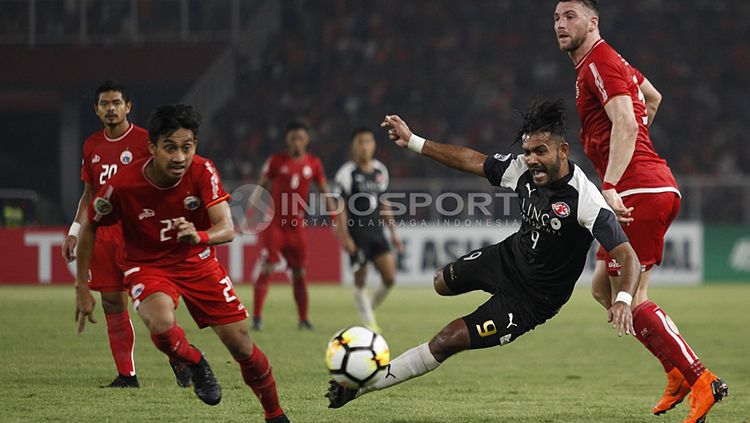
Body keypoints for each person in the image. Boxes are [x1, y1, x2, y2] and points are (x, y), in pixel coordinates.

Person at [327, 100, 640, 410]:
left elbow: (628, 256)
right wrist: (413, 141)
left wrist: (624, 300)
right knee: (440, 282)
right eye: (527, 151)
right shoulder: (521, 170)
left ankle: (359, 387)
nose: (531, 159)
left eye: (540, 151)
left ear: (563, 151)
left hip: (532, 300)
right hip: (506, 259)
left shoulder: (585, 200)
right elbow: (472, 160)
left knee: (446, 340)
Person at [553, 1, 728, 421]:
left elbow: (628, 123)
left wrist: (613, 181)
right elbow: (652, 97)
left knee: (633, 296)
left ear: (593, 22)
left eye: (570, 16)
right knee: (602, 290)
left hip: (637, 190)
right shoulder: (603, 63)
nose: (560, 24)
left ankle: (701, 379)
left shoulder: (600, 60)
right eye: (556, 18)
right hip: (648, 184)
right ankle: (675, 371)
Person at [74, 104, 290, 423]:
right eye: (170, 148)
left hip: (197, 263)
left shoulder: (203, 171)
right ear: (152, 147)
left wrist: (199, 236)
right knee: (161, 325)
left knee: (243, 347)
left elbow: (226, 228)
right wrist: (81, 286)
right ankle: (195, 360)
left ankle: (275, 415)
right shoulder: (123, 184)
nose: (179, 157)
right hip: (146, 265)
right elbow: (91, 224)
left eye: (187, 148)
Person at [62, 80, 150, 388]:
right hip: (102, 233)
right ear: (96, 110)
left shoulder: (145, 142)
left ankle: (181, 357)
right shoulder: (91, 145)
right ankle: (128, 375)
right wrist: (75, 230)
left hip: (136, 233)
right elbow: (89, 193)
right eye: (104, 104)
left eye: (116, 103)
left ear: (128, 107)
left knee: (152, 302)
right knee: (112, 302)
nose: (110, 109)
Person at [251, 122, 335, 331]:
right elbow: (260, 186)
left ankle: (303, 319)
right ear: (287, 140)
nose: (297, 142)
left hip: (297, 227)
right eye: (293, 138)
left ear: (307, 140)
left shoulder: (314, 163)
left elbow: (324, 191)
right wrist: (251, 213)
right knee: (268, 267)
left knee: (299, 272)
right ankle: (257, 318)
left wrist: (334, 215)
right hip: (275, 225)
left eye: (300, 138)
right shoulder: (276, 161)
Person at [333, 127, 403, 332]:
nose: (365, 147)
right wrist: (345, 237)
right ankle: (370, 323)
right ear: (353, 147)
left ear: (374, 145)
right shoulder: (347, 174)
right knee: (360, 279)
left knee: (389, 278)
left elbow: (385, 203)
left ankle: (367, 310)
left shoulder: (380, 171)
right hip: (357, 234)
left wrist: (394, 234)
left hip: (377, 233)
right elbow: (341, 208)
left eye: (368, 142)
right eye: (360, 142)